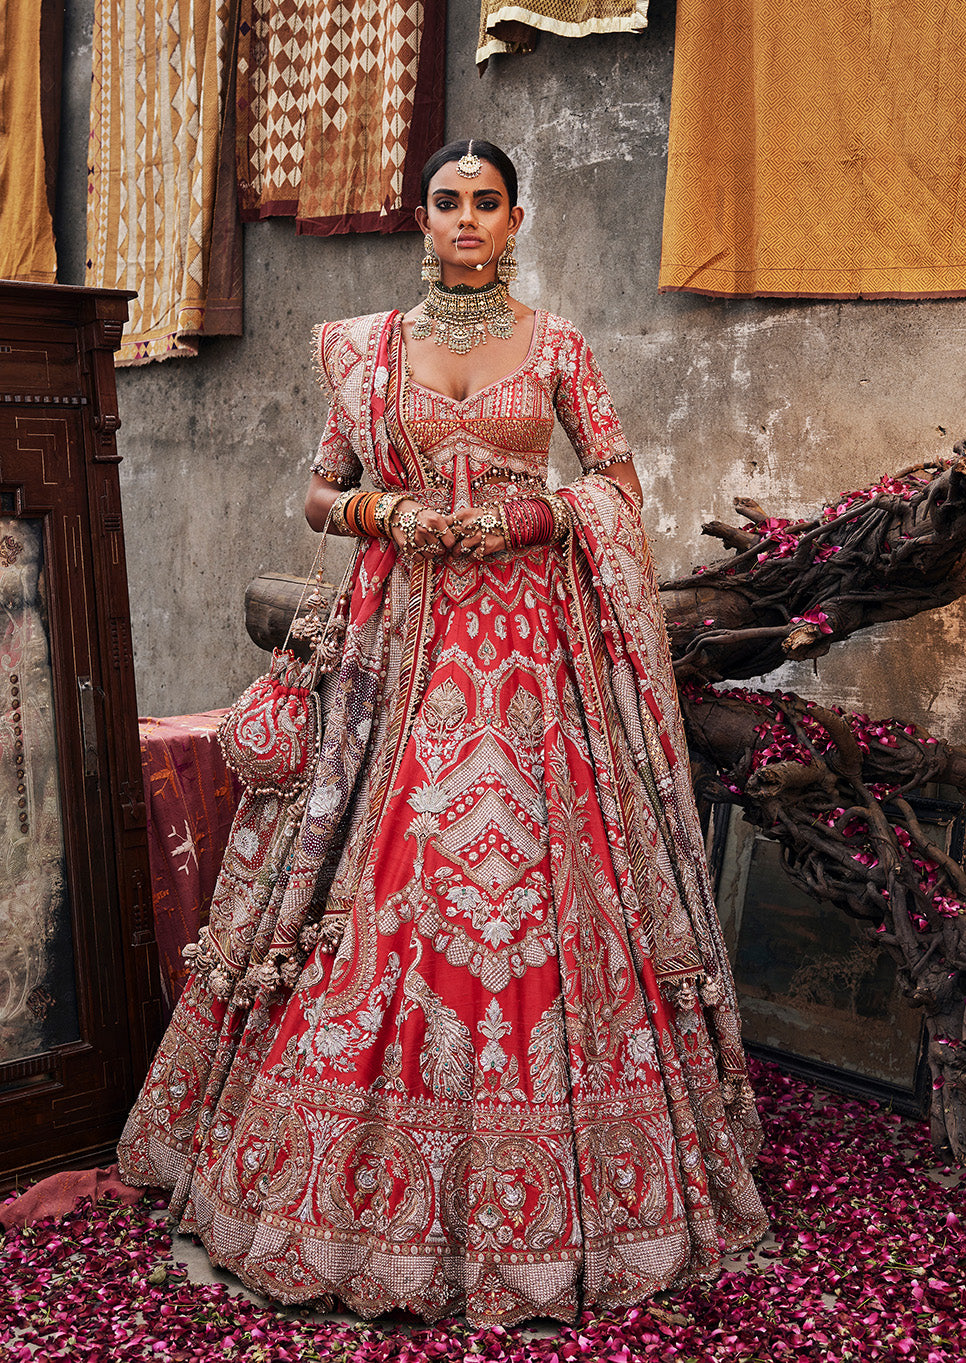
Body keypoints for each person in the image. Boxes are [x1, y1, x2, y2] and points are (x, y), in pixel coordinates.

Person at [118, 139, 768, 1326]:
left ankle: (578, 1197)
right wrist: (393, 510)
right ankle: (346, 1188)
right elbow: (319, 492)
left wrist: (532, 513)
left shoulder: (559, 346)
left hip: (533, 663)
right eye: (445, 202)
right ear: (421, 217)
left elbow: (615, 480)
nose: (463, 219)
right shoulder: (361, 351)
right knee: (391, 874)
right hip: (403, 648)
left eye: (484, 202)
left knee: (543, 883)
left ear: (514, 217)